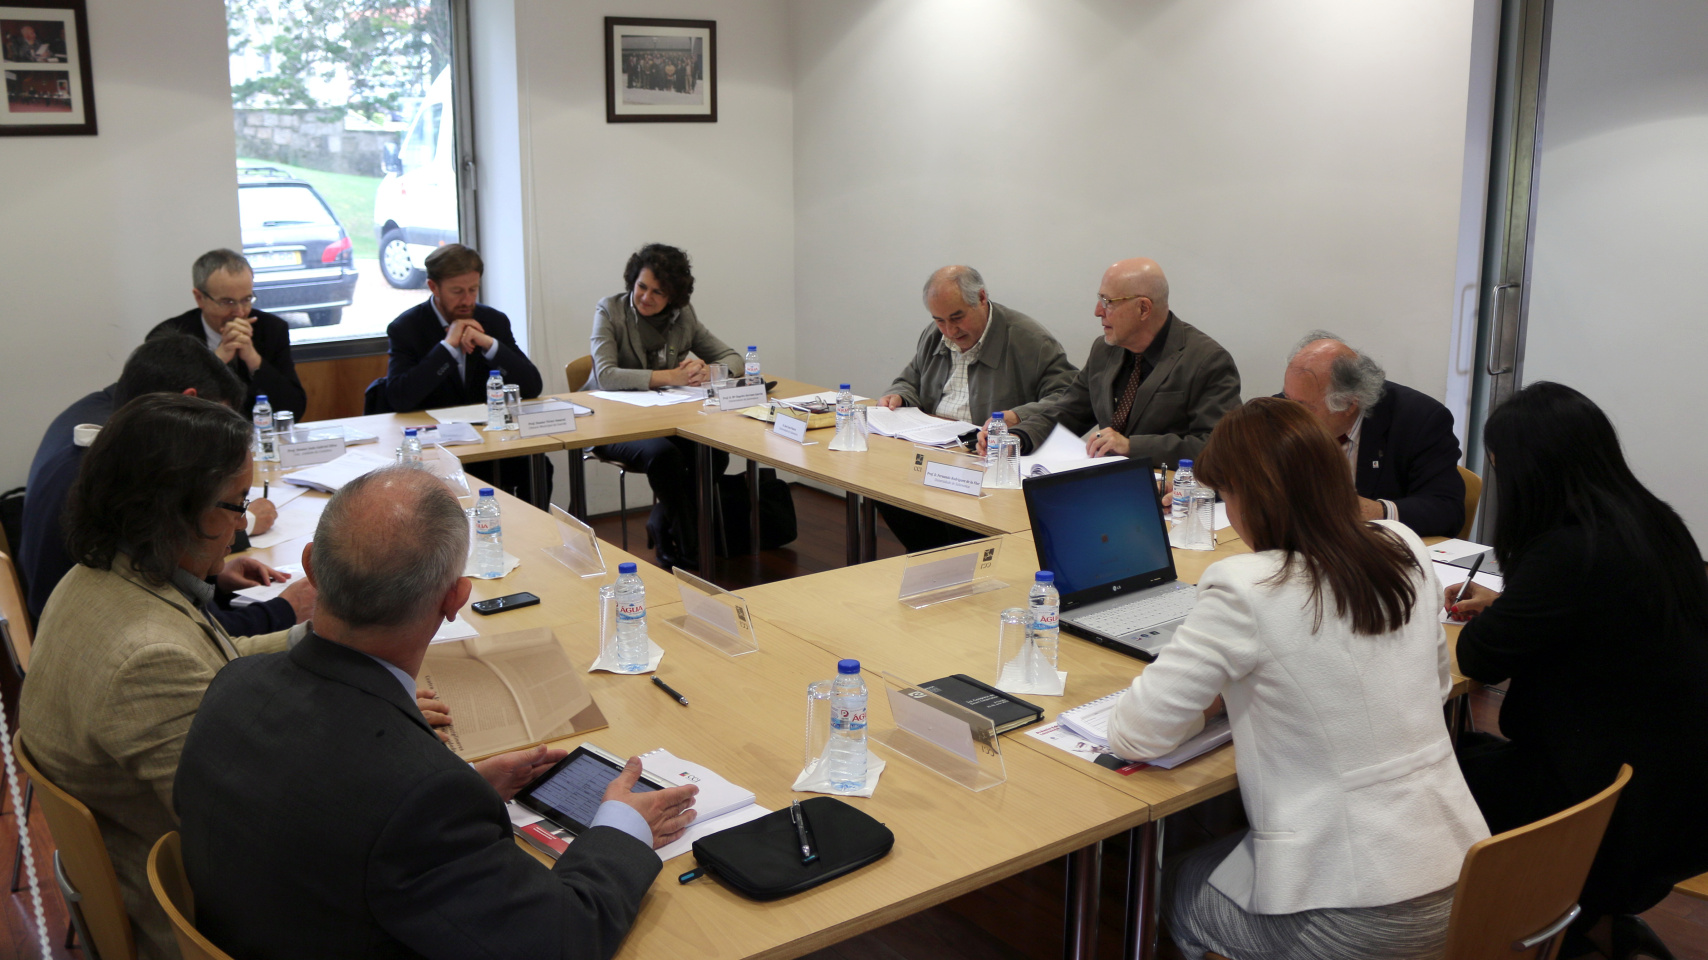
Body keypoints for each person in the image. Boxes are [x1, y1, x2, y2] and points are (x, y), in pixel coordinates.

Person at [174, 466, 698, 959]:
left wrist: (470, 791)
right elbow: (566, 938)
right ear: (455, 600)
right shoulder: (417, 797)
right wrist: (622, 827)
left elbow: (334, 808)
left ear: (312, 568)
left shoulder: (233, 686)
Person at [1107, 397, 1489, 960]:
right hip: (1462, 879)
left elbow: (1135, 735)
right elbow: (1431, 689)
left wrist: (1217, 703)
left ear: (1251, 497)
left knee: (1177, 883)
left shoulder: (1244, 585)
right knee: (1226, 858)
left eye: (1226, 496)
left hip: (1358, 918)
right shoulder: (1402, 544)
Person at [1445, 382, 1708, 959]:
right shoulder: (1652, 521)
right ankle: (1593, 925)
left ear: (1529, 472)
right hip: (1680, 786)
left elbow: (1479, 657)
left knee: (1435, 777)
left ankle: (1505, 922)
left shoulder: (1567, 552)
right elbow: (1598, 617)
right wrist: (1516, 604)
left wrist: (1511, 609)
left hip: (1614, 806)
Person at [18, 335, 305, 633]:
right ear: (189, 404)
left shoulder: (103, 423)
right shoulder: (129, 467)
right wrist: (285, 610)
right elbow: (186, 629)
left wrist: (211, 576)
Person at [876, 265, 1078, 552]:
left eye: (957, 318)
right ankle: (935, 558)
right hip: (936, 453)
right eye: (940, 320)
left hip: (986, 462)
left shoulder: (1030, 340)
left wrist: (1018, 416)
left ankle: (953, 560)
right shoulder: (935, 335)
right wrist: (898, 395)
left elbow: (1068, 398)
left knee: (958, 522)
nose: (950, 331)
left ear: (982, 298)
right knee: (884, 490)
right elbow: (910, 379)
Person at [998, 258, 1241, 466]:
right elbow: (1067, 412)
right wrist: (1018, 438)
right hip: (1108, 481)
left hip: (1171, 493)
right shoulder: (1104, 350)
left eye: (1108, 302)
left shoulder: (1206, 360)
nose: (1097, 311)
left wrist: (1131, 446)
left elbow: (1220, 447)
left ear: (1143, 309)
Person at [589, 243, 742, 569]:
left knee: (714, 452)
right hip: (611, 423)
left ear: (673, 297)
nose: (646, 297)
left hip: (663, 419)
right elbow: (606, 375)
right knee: (664, 456)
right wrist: (670, 376)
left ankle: (661, 521)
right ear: (632, 281)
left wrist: (709, 371)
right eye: (641, 286)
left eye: (658, 292)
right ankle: (691, 549)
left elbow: (732, 358)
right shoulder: (610, 310)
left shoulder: (683, 316)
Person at [384, 243, 544, 498]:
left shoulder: (493, 321)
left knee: (538, 468)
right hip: (434, 449)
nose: (467, 300)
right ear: (433, 287)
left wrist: (489, 344)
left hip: (489, 441)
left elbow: (532, 386)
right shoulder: (407, 328)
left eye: (473, 289)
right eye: (457, 291)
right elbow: (399, 397)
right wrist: (447, 348)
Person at [1281, 331, 1466, 537]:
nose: (1290, 415)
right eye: (1287, 398)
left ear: (1349, 404)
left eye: (1303, 407)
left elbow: (1446, 510)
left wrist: (1378, 511)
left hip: (1376, 548)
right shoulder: (1280, 411)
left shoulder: (1419, 420)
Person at [147, 248, 307, 419]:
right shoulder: (168, 336)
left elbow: (293, 409)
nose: (240, 312)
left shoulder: (271, 329)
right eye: (227, 302)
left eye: (246, 300)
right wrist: (216, 361)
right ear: (200, 298)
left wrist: (253, 360)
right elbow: (162, 411)